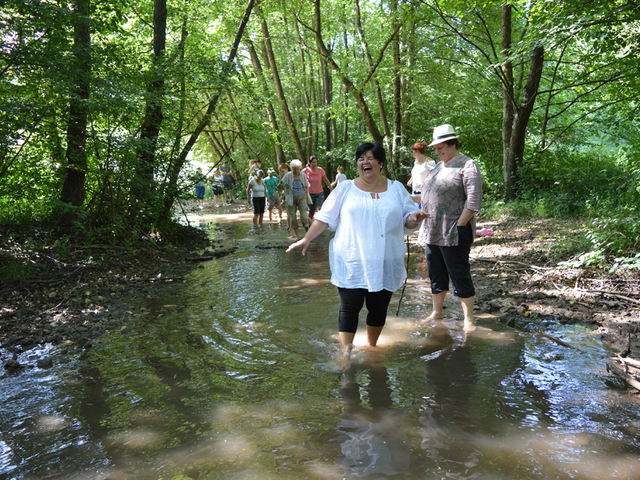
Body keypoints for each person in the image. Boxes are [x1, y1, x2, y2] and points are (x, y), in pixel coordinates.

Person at [287, 143, 429, 360]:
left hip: (385, 259)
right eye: (361, 158)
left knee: (378, 308)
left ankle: (372, 347)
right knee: (349, 306)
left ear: (380, 163)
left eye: (370, 158)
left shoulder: (396, 188)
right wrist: (306, 239)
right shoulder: (346, 189)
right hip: (351, 258)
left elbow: (408, 219)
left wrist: (413, 218)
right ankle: (346, 351)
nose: (365, 162)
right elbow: (325, 217)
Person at [420, 124, 483, 332]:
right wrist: (401, 196)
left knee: (459, 273)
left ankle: (469, 320)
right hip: (432, 231)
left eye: (440, 147)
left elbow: (473, 202)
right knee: (435, 273)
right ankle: (437, 312)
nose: (437, 152)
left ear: (453, 144)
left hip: (454, 232)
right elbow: (429, 196)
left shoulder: (468, 165)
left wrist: (460, 224)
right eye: (435, 148)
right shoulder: (439, 166)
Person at [281, 159, 310, 239]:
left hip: (301, 197)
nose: (297, 171)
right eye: (295, 169)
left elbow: (306, 186)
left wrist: (306, 196)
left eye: (298, 169)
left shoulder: (303, 175)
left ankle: (308, 235)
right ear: (292, 169)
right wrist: (279, 194)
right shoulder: (288, 176)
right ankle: (297, 236)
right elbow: (281, 185)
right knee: (293, 217)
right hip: (291, 198)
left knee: (304, 217)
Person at [407, 141, 436, 207]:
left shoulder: (429, 161)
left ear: (417, 152)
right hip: (414, 191)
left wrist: (425, 182)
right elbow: (414, 173)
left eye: (412, 151)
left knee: (422, 212)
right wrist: (411, 180)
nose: (412, 153)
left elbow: (435, 175)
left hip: (424, 192)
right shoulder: (416, 161)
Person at [303, 155, 332, 220]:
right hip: (309, 193)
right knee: (311, 211)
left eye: (316, 162)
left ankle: (319, 223)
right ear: (309, 163)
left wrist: (331, 189)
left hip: (319, 193)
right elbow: (299, 177)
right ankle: (311, 226)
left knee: (320, 209)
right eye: (313, 162)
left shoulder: (320, 170)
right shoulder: (305, 170)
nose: (315, 163)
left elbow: (326, 180)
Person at [278, 163, 292, 230]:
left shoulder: (290, 175)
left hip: (293, 197)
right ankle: (289, 227)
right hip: (288, 197)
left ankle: (289, 227)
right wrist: (281, 196)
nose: (282, 173)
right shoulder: (286, 176)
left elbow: (280, 186)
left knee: (289, 213)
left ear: (286, 169)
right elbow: (284, 188)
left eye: (282, 171)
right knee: (289, 213)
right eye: (281, 171)